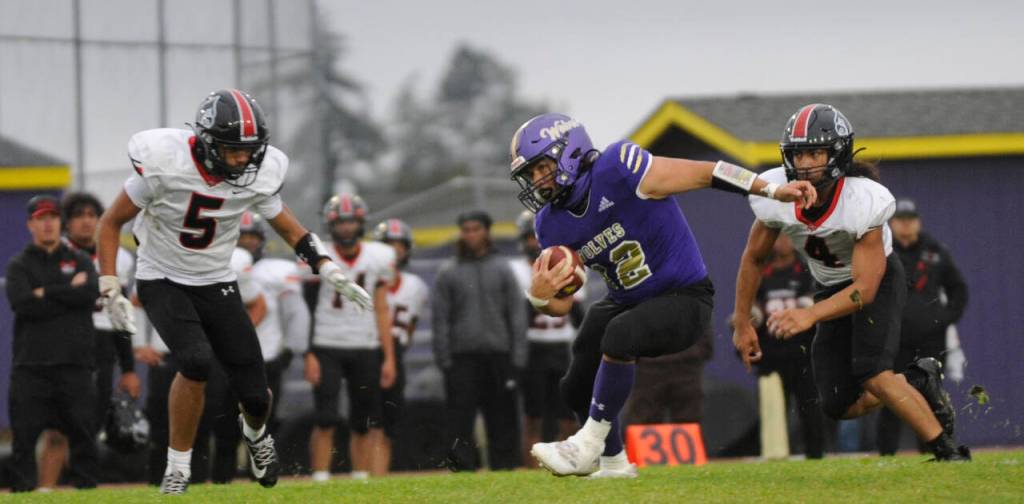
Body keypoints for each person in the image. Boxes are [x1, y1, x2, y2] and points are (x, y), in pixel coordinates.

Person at [508, 113, 816, 478]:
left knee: (618, 334)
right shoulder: (550, 222)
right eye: (530, 174)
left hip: (683, 296)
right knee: (576, 383)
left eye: (542, 167)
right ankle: (613, 463)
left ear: (570, 152)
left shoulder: (618, 167)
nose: (537, 180)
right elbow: (560, 306)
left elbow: (708, 171)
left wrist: (769, 188)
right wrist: (540, 297)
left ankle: (587, 445)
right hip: (627, 300)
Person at [97, 88, 373, 495]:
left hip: (217, 281)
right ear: (207, 142)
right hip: (162, 277)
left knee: (256, 397)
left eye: (249, 150)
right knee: (194, 361)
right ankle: (178, 469)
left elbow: (290, 228)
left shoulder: (257, 175)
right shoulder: (163, 162)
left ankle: (257, 436)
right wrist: (109, 284)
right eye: (232, 150)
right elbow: (109, 223)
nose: (243, 159)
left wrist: (326, 266)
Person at [731, 103, 970, 462]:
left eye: (816, 152)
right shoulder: (776, 194)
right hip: (829, 286)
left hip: (877, 281)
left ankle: (947, 451)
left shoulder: (861, 200)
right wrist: (742, 321)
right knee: (837, 404)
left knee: (874, 373)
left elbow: (865, 290)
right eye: (799, 154)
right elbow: (753, 258)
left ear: (837, 153)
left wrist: (809, 315)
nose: (807, 164)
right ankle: (917, 381)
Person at [37, 192, 141, 490]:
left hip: (104, 343)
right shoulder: (53, 252)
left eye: (91, 215)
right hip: (64, 342)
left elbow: (120, 313)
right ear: (67, 223)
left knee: (89, 427)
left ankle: (80, 489)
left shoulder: (119, 257)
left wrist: (130, 368)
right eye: (78, 215)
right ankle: (45, 491)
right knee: (57, 427)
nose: (86, 221)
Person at [5, 195, 100, 492]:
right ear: (31, 224)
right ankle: (23, 495)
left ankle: (85, 493)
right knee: (23, 440)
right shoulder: (19, 264)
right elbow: (23, 304)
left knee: (84, 437)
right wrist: (66, 292)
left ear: (60, 222)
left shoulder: (80, 259)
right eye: (41, 218)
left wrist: (44, 292)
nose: (48, 224)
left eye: (53, 218)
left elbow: (89, 295)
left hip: (76, 365)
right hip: (32, 367)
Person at [305, 193, 397, 481]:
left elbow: (382, 308)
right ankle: (320, 478)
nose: (346, 228)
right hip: (326, 342)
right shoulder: (318, 252)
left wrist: (389, 357)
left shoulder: (377, 256)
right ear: (332, 225)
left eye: (351, 222)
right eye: (341, 222)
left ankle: (360, 477)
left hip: (364, 344)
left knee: (362, 419)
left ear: (360, 223)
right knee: (325, 417)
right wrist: (308, 352)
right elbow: (306, 307)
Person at [432, 210, 527, 471]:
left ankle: (505, 468)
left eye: (476, 229)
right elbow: (440, 319)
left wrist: (517, 358)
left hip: (499, 355)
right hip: (461, 358)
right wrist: (445, 360)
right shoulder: (448, 272)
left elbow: (516, 315)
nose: (471, 234)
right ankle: (461, 470)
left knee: (502, 417)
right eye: (466, 229)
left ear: (487, 231)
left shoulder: (502, 268)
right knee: (459, 420)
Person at [876, 198, 968, 456]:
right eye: (901, 220)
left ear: (918, 222)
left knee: (932, 394)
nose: (906, 225)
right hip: (894, 338)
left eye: (910, 220)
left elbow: (958, 288)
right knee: (890, 392)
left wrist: (944, 318)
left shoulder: (935, 250)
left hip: (929, 338)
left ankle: (935, 449)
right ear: (893, 224)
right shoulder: (882, 249)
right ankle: (886, 453)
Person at [507, 210, 582, 467]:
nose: (534, 244)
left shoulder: (567, 264)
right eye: (529, 237)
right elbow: (517, 317)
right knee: (533, 414)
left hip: (561, 347)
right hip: (532, 347)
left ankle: (567, 463)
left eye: (537, 238)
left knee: (567, 415)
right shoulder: (516, 270)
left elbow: (578, 315)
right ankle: (530, 470)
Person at [747, 233, 825, 459]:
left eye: (787, 237)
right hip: (772, 351)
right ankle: (775, 452)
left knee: (809, 405)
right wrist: (751, 317)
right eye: (778, 237)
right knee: (773, 406)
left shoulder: (807, 269)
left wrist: (808, 306)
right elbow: (752, 304)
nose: (782, 242)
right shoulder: (762, 270)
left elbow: (819, 300)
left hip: (803, 350)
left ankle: (815, 454)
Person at [237, 211, 310, 432]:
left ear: (262, 239)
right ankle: (227, 468)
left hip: (267, 354)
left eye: (253, 236)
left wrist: (291, 347)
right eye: (242, 236)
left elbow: (295, 313)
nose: (248, 242)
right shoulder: (222, 268)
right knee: (226, 428)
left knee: (266, 421)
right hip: (229, 356)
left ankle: (262, 468)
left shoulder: (280, 271)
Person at [372, 218, 429, 474]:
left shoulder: (415, 286)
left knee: (389, 421)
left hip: (396, 350)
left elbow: (410, 326)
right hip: (368, 350)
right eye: (388, 245)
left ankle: (379, 473)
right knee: (367, 418)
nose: (394, 252)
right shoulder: (368, 279)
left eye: (399, 246)